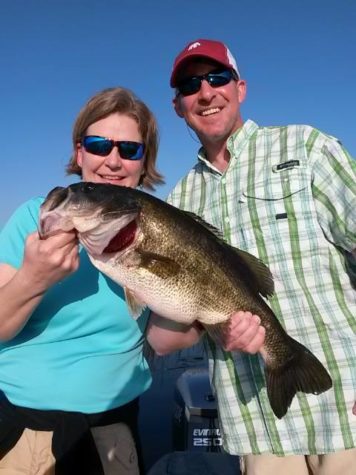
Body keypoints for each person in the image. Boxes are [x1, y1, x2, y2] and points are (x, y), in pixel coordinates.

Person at [147, 39, 356, 474]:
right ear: (178, 106)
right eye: (190, 85)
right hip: (260, 428)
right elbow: (182, 318)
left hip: (346, 407)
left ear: (240, 88)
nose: (205, 92)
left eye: (216, 77)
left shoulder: (307, 148)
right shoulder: (181, 200)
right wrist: (216, 327)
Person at [0, 87, 165, 475]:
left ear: (144, 163)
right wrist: (34, 277)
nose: (112, 160)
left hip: (114, 428)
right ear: (79, 154)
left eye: (129, 150)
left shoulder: (158, 228)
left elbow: (164, 333)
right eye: (98, 145)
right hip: (27, 427)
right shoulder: (32, 219)